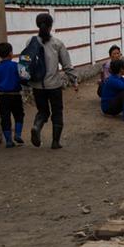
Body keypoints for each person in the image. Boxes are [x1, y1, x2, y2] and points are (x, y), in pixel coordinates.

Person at [29, 13, 78, 149]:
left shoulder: (30, 41)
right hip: (54, 86)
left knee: (43, 111)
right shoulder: (57, 44)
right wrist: (74, 80)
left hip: (37, 85)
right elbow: (67, 65)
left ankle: (36, 126)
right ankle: (55, 142)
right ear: (51, 26)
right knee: (57, 112)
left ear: (37, 25)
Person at [0, 42, 25, 148]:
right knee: (19, 115)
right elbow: (24, 77)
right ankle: (18, 134)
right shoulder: (17, 66)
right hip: (15, 95)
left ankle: (8, 141)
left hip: (3, 96)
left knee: (5, 118)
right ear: (11, 53)